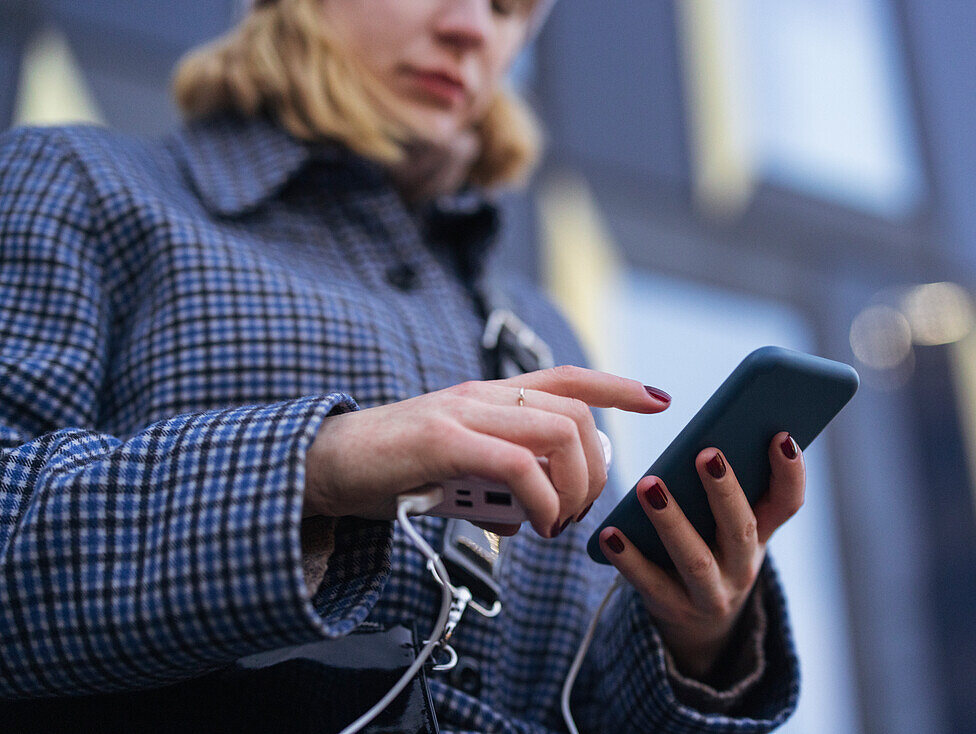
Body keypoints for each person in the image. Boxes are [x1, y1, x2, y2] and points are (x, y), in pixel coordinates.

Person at [0, 0, 803, 731]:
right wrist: (324, 464)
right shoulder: (80, 184)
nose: (473, 30)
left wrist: (695, 644)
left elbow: (569, 703)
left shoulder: (542, 328)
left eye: (507, 8)